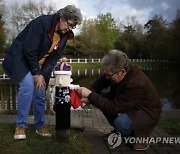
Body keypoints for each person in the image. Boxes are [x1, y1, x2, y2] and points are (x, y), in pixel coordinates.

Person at [2, 5, 82, 140]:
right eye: (69, 24)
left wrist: (43, 75)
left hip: (37, 64)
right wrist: (35, 73)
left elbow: (54, 58)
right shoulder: (42, 23)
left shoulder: (64, 36)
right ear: (62, 17)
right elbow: (29, 50)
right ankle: (21, 125)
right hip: (21, 59)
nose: (70, 28)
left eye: (73, 27)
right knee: (27, 85)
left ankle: (40, 125)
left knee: (40, 88)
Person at [77, 49, 162, 150]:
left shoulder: (137, 84)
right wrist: (88, 98)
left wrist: (90, 95)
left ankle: (143, 136)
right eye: (106, 74)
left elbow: (114, 108)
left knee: (120, 123)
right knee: (99, 97)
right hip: (129, 104)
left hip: (146, 112)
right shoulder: (114, 71)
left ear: (122, 72)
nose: (107, 78)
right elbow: (98, 84)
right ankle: (119, 132)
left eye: (109, 75)